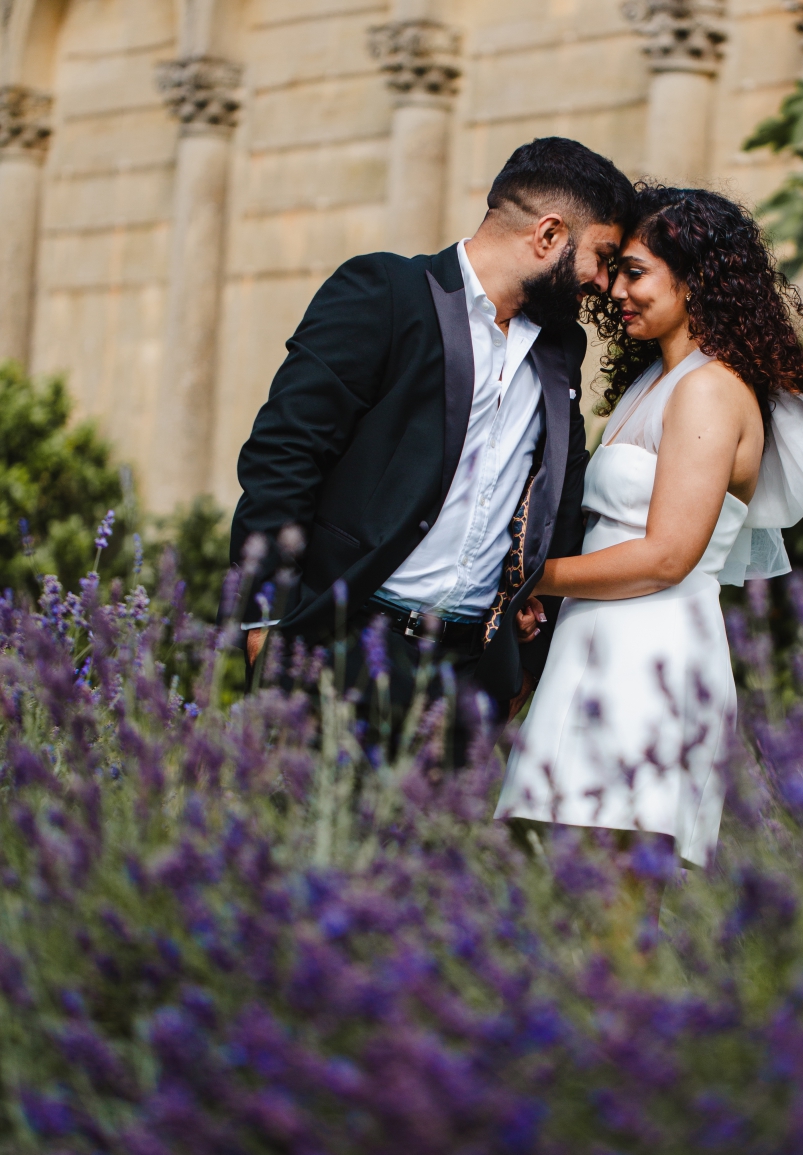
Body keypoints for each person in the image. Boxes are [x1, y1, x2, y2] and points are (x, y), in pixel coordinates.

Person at [233, 138, 635, 754]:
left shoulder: (560, 350)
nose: (605, 284)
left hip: (469, 675)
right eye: (603, 258)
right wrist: (265, 620)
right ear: (549, 234)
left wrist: (525, 657)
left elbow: (559, 486)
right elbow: (284, 455)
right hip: (342, 644)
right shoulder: (384, 292)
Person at [496, 188, 803, 868]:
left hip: (648, 656)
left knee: (618, 900)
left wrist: (520, 577)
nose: (615, 289)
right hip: (594, 641)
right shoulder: (654, 382)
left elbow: (667, 556)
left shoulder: (710, 389)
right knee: (550, 889)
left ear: (694, 280)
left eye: (634, 272)